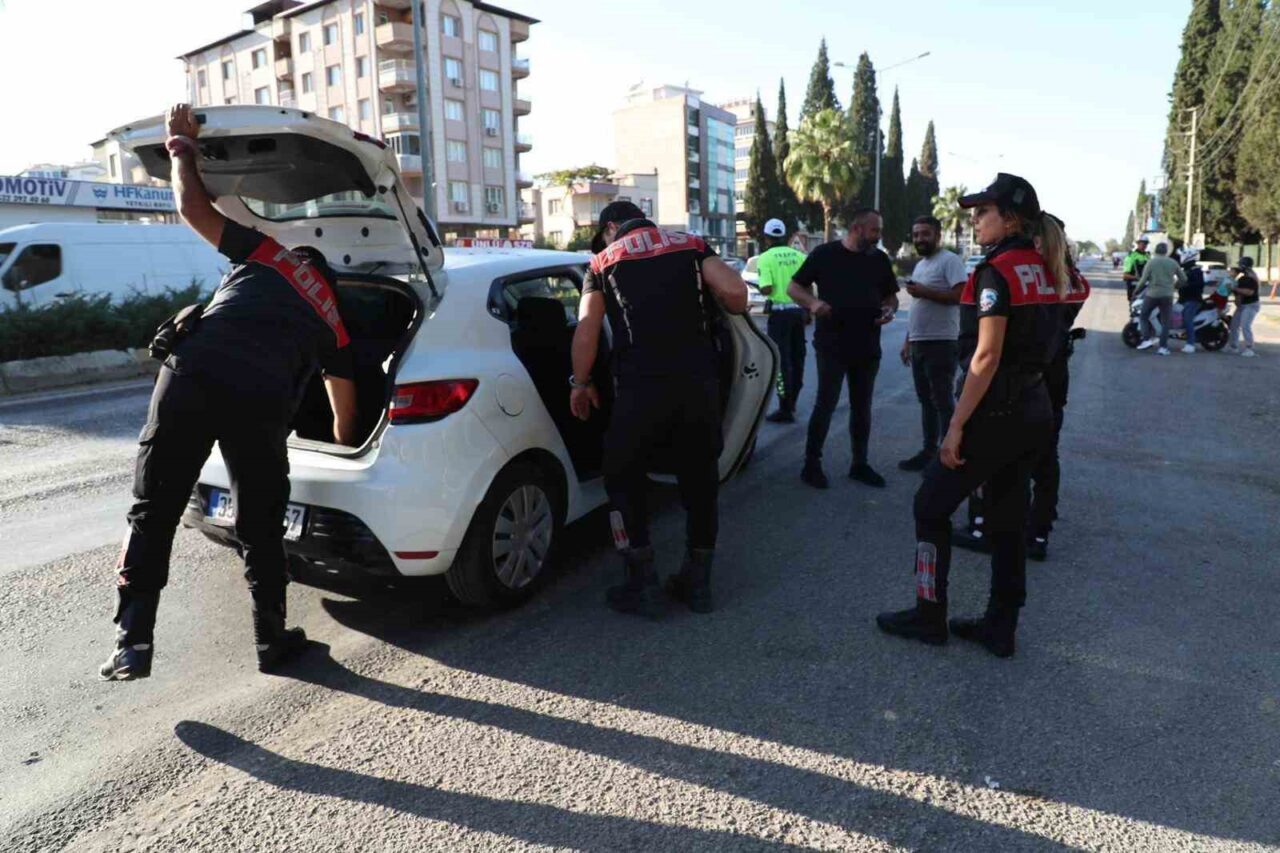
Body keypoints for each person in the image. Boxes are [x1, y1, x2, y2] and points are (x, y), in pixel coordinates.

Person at [100, 104, 359, 681]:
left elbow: (193, 208)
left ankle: (131, 642)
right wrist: (342, 449)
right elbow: (344, 416)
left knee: (153, 510)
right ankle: (272, 642)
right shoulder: (334, 321)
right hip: (260, 399)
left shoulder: (269, 254)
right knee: (260, 524)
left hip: (191, 372)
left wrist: (180, 147)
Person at [876, 173, 1066, 658]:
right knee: (1008, 519)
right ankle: (1001, 627)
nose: (975, 220)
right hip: (1034, 407)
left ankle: (928, 613)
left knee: (929, 506)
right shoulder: (1046, 266)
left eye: (984, 212)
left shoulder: (996, 271)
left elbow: (986, 356)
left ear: (1012, 219)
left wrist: (956, 427)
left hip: (995, 412)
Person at [570, 201, 748, 616]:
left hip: (640, 390)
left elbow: (587, 329)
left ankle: (642, 584)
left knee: (622, 478)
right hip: (697, 387)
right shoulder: (691, 244)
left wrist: (580, 383)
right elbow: (737, 294)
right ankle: (698, 583)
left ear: (611, 227)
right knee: (700, 480)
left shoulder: (603, 262)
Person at [786, 208, 900, 489]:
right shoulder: (825, 254)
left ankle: (859, 464)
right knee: (826, 404)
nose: (878, 236)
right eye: (874, 230)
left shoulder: (879, 259)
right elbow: (794, 288)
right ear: (857, 229)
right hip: (832, 345)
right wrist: (813, 304)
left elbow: (891, 296)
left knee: (862, 407)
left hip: (867, 346)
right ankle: (811, 464)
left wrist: (889, 309)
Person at [1027, 214, 1090, 561]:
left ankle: (1033, 528)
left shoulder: (1041, 279)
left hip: (1036, 378)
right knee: (1046, 456)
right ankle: (1040, 525)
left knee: (1031, 456)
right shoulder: (1072, 279)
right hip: (1052, 376)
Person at [897, 215, 966, 472]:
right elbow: (918, 307)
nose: (919, 239)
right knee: (926, 401)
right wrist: (908, 341)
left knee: (942, 402)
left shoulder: (950, 261)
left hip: (942, 343)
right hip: (919, 343)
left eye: (925, 234)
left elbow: (961, 295)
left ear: (938, 235)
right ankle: (929, 452)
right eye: (916, 235)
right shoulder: (921, 265)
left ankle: (946, 458)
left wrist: (924, 292)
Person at [756, 218, 808, 423]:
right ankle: (793, 401)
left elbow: (767, 288)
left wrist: (761, 287)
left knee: (780, 360)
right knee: (798, 357)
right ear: (785, 237)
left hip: (779, 315)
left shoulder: (765, 258)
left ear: (767, 238)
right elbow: (808, 285)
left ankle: (784, 408)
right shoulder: (799, 256)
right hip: (799, 312)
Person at [1134, 242, 1186, 355]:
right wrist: (1175, 287)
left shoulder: (1151, 262)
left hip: (1152, 294)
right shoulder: (1173, 262)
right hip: (1167, 295)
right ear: (1166, 251)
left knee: (1144, 316)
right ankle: (1163, 347)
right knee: (1165, 322)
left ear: (1155, 250)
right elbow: (1183, 279)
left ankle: (1146, 339)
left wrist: (1136, 291)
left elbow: (1143, 280)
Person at [1227, 257, 1261, 357]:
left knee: (1245, 325)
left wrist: (1234, 288)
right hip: (1242, 305)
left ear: (1243, 265)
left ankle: (1249, 348)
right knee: (1234, 325)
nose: (1238, 266)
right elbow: (1238, 292)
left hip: (1251, 305)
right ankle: (1233, 347)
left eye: (1240, 265)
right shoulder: (1243, 277)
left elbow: (1249, 292)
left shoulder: (1251, 277)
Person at [1175, 248, 1206, 354]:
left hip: (1192, 300)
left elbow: (1198, 285)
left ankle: (1190, 344)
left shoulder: (1196, 271)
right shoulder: (1186, 270)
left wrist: (1185, 285)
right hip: (1183, 300)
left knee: (1188, 319)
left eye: (1183, 256)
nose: (1181, 258)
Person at [1122, 237, 1150, 303]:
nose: (1144, 245)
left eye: (1146, 243)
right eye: (1142, 243)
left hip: (1146, 288)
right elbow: (1125, 276)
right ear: (1138, 244)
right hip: (1134, 287)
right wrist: (1137, 278)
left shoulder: (1148, 256)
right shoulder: (1131, 256)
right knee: (1135, 306)